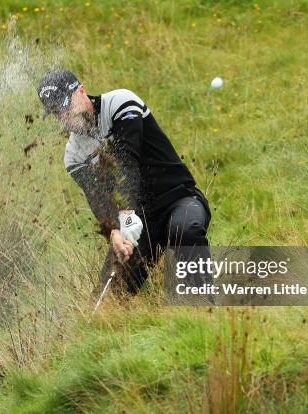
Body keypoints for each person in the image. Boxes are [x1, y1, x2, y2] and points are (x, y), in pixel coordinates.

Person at [37, 69, 212, 297]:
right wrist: (114, 232)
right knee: (108, 300)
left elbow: (126, 161)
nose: (64, 118)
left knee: (184, 231)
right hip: (139, 225)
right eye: (56, 114)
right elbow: (98, 200)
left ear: (81, 91)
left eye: (65, 107)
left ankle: (204, 307)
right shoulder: (73, 156)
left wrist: (126, 215)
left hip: (178, 198)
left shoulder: (121, 103)